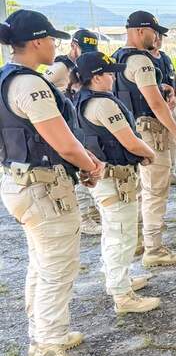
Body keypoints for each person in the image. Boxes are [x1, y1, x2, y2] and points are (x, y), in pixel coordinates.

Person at [0, 9, 105, 356]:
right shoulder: (31, 85)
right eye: (52, 39)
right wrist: (91, 165)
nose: (56, 46)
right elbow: (61, 139)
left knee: (41, 265)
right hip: (43, 188)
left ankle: (42, 338)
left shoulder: (6, 78)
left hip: (20, 182)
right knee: (57, 271)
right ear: (38, 41)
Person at [72, 52, 162, 314]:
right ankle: (123, 295)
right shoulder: (103, 105)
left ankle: (118, 279)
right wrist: (150, 154)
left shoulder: (83, 100)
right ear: (96, 77)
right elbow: (129, 140)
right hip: (115, 179)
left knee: (115, 232)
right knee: (121, 235)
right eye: (109, 73)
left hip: (108, 178)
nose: (113, 77)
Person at [112, 11, 176, 268]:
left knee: (136, 190)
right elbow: (156, 104)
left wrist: (168, 90)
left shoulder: (116, 59)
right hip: (152, 131)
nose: (155, 36)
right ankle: (154, 249)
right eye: (152, 31)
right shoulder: (141, 61)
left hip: (129, 131)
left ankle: (136, 241)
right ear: (137, 31)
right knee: (156, 191)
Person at [43, 28, 104, 235]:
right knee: (79, 168)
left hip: (82, 123)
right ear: (73, 46)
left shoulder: (85, 65)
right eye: (83, 50)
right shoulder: (60, 67)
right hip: (65, 125)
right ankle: (84, 217)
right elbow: (42, 87)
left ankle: (93, 213)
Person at [148, 32, 176, 186]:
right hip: (153, 111)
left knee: (171, 141)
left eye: (161, 37)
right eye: (155, 36)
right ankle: (159, 176)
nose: (158, 40)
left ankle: (170, 173)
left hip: (170, 108)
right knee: (157, 144)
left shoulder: (165, 58)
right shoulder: (143, 60)